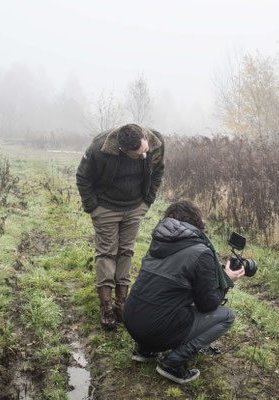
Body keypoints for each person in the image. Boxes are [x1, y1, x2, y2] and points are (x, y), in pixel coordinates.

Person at [123, 200, 245, 384]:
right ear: (195, 220)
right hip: (155, 328)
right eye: (202, 217)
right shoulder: (201, 252)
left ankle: (144, 349)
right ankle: (174, 362)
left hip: (131, 320)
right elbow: (208, 304)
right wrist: (227, 279)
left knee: (163, 299)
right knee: (226, 315)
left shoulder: (159, 242)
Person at [76, 123, 165, 330]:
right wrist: (93, 208)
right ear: (121, 150)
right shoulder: (99, 147)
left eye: (144, 151)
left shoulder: (156, 142)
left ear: (144, 138)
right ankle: (106, 306)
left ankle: (122, 303)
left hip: (135, 207)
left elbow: (158, 171)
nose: (143, 157)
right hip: (105, 207)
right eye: (137, 155)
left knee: (126, 251)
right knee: (107, 253)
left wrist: (147, 202)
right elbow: (83, 177)